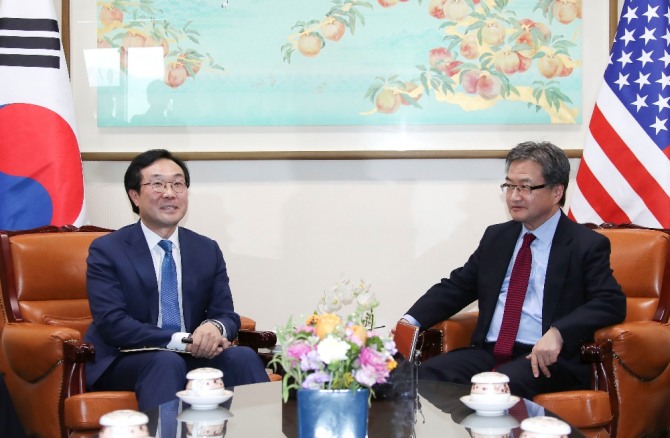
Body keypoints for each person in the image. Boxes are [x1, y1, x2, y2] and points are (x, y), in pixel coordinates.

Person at [400, 141, 626, 400]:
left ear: (556, 192)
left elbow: (610, 302)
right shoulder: (497, 237)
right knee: (421, 377)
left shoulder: (585, 244)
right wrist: (410, 321)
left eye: (526, 187)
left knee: (498, 389)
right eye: (509, 186)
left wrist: (559, 332)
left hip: (545, 359)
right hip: (488, 352)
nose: (514, 196)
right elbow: (458, 286)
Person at [84, 149, 269, 410]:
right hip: (126, 359)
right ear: (134, 196)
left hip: (192, 357)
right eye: (158, 184)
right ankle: (165, 428)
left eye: (178, 184)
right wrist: (183, 340)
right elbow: (112, 323)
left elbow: (226, 314)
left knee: (243, 357)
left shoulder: (206, 249)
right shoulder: (107, 250)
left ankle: (263, 427)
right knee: (165, 361)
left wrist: (214, 328)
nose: (170, 193)